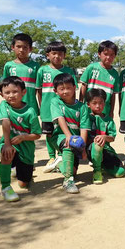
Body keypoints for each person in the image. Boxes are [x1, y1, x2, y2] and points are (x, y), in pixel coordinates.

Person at [0, 76, 41, 202]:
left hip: (26, 150)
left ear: (23, 92)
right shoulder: (4, 105)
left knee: (23, 184)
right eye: (7, 93)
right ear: (2, 95)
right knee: (7, 152)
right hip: (9, 143)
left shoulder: (30, 111)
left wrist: (23, 137)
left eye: (15, 92)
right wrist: (7, 144)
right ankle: (5, 187)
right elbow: (5, 122)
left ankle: (18, 170)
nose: (11, 95)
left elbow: (37, 135)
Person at [36, 41, 78, 173]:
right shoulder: (42, 70)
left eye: (60, 54)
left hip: (64, 109)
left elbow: (73, 91)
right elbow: (39, 90)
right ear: (47, 55)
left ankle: (61, 155)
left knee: (62, 131)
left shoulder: (68, 71)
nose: (57, 56)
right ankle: (51, 157)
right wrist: (42, 105)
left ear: (64, 55)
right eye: (54, 53)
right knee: (49, 134)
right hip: (47, 109)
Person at [51, 73, 89, 194]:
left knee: (73, 171)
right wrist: (68, 135)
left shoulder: (82, 107)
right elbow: (60, 118)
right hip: (59, 136)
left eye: (68, 88)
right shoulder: (55, 102)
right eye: (61, 89)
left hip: (76, 140)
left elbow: (84, 128)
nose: (65, 91)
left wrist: (82, 148)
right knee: (69, 144)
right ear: (55, 91)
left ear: (75, 87)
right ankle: (68, 181)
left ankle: (59, 163)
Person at [85, 89, 125, 184]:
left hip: (107, 150)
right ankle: (97, 171)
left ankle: (103, 165)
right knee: (97, 144)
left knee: (120, 172)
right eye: (94, 103)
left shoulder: (108, 120)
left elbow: (112, 138)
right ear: (88, 104)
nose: (98, 106)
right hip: (91, 149)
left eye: (101, 103)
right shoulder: (86, 118)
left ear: (104, 103)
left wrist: (104, 137)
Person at [79, 40, 120, 118]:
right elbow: (84, 86)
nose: (108, 57)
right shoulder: (91, 68)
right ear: (99, 54)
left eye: (112, 55)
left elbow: (113, 95)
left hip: (105, 112)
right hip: (88, 111)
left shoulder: (115, 74)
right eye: (105, 54)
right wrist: (80, 104)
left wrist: (111, 111)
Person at [3, 33, 40, 115]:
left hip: (31, 106)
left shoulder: (36, 66)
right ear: (13, 47)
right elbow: (4, 87)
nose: (21, 50)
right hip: (13, 107)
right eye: (18, 46)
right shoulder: (8, 66)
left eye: (25, 47)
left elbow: (39, 89)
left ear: (30, 49)